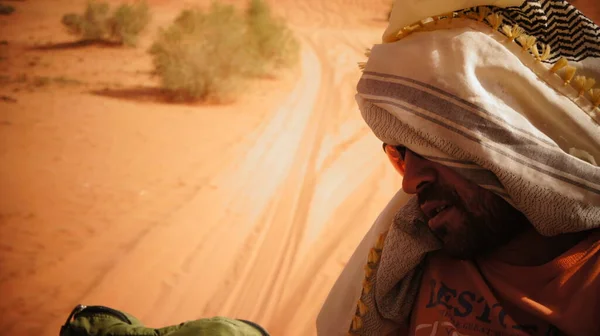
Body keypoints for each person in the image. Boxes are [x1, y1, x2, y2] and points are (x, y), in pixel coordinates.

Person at [317, 0, 600, 335]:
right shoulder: (415, 265)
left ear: (520, 143)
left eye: (430, 147)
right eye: (401, 155)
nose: (410, 181)